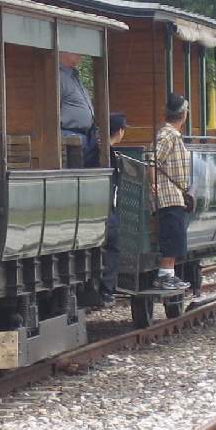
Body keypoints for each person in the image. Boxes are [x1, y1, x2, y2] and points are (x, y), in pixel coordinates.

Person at [152, 93, 192, 292]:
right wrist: (153, 184)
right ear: (183, 115)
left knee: (176, 236)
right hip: (168, 194)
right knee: (172, 236)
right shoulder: (169, 135)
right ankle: (164, 276)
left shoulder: (171, 135)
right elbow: (152, 159)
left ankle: (169, 275)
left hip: (174, 194)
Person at [99, 112, 128, 304]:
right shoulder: (106, 154)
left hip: (103, 206)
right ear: (119, 131)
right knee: (114, 243)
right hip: (105, 208)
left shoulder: (102, 150)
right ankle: (106, 289)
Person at [59, 52, 98, 167]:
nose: (80, 56)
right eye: (76, 52)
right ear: (62, 53)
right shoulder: (58, 77)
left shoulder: (74, 76)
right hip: (69, 134)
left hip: (86, 135)